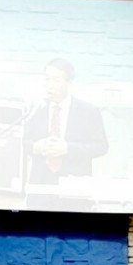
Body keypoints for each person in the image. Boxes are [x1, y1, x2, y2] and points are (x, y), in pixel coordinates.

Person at [23, 58, 108, 212]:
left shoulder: (88, 111)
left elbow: (101, 146)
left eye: (56, 80)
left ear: (69, 82)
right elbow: (24, 142)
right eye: (47, 79)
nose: (50, 85)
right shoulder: (36, 109)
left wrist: (68, 148)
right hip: (40, 187)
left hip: (74, 186)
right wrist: (35, 147)